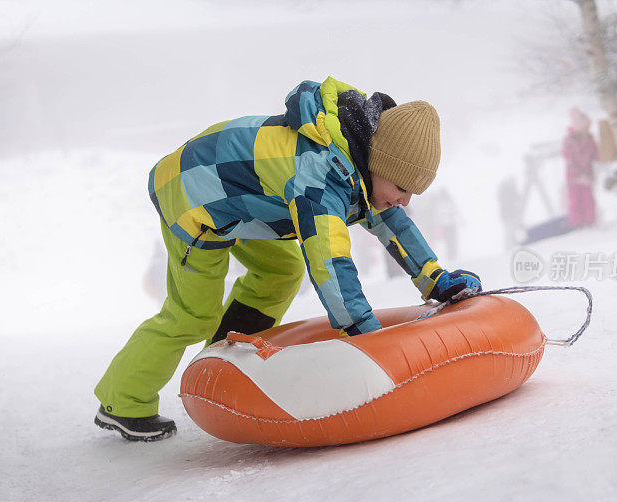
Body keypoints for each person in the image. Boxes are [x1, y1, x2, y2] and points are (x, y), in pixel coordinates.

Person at [93, 77, 482, 441]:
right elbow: (328, 261)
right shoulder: (320, 174)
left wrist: (435, 279)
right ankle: (123, 402)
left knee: (282, 268)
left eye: (414, 192)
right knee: (192, 313)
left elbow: (391, 222)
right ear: (380, 165)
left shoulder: (360, 164)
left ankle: (226, 349)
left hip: (248, 201)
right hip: (192, 194)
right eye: (401, 188)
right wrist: (363, 333)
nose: (406, 200)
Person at [562, 108, 598, 228]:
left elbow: (595, 155)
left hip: (586, 176)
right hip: (574, 177)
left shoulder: (589, 139)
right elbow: (569, 159)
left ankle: (590, 221)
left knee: (588, 199)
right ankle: (577, 224)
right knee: (575, 201)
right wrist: (579, 174)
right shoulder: (570, 141)